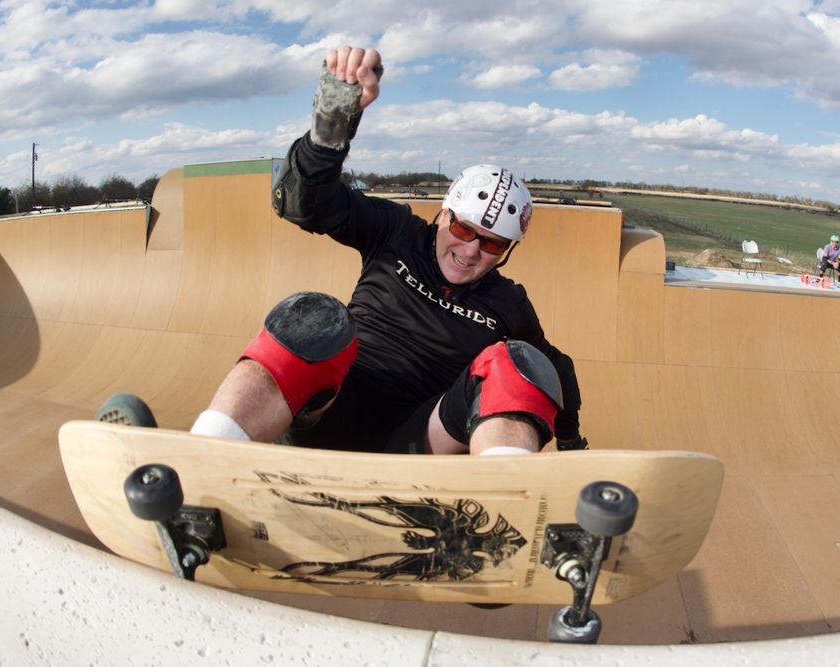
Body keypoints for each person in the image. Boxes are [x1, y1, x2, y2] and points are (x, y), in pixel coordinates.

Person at [98, 45, 585, 458]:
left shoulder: (507, 304)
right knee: (314, 315)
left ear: (506, 251)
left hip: (417, 444)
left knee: (515, 361)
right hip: (326, 414)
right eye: (461, 227)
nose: (470, 249)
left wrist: (572, 448)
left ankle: (508, 500)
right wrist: (334, 122)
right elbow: (305, 204)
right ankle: (205, 458)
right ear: (442, 213)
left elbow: (552, 370)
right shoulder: (395, 232)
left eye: (493, 242)